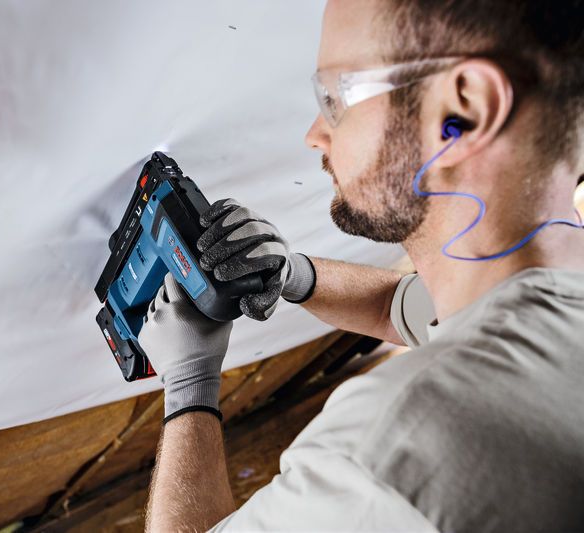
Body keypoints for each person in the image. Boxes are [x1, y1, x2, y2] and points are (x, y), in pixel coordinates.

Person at [139, 0, 584, 531]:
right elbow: (401, 309)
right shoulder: (547, 301)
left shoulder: (388, 452)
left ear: (465, 109)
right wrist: (291, 274)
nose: (315, 133)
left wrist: (189, 382)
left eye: (335, 97)